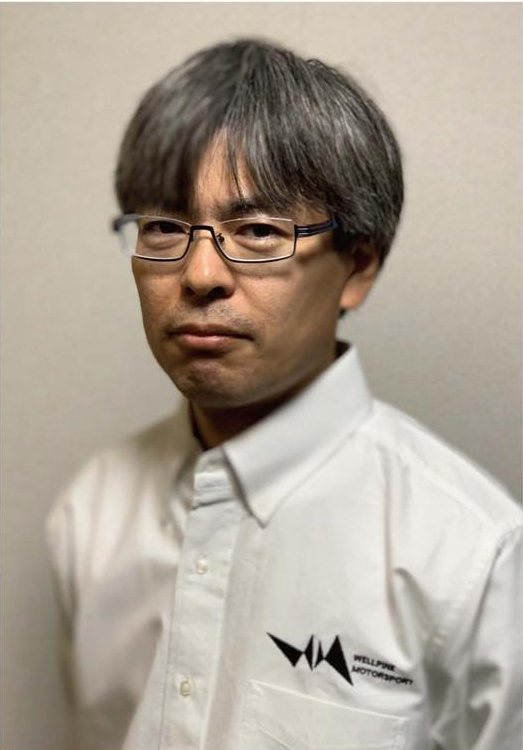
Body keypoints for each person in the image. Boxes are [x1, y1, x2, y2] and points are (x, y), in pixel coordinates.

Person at [46, 38, 522, 750]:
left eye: (259, 231)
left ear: (356, 267)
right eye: (165, 227)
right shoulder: (91, 511)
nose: (200, 274)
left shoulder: (471, 555)